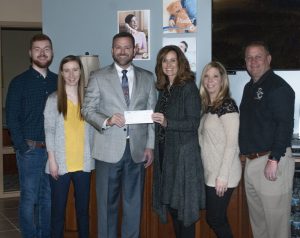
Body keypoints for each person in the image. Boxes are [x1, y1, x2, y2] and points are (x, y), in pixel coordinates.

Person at [82, 32, 157, 238]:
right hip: (107, 150)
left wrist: (149, 145)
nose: (122, 51)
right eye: (118, 47)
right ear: (112, 50)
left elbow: (151, 115)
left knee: (134, 205)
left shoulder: (148, 77)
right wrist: (107, 120)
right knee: (107, 204)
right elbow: (87, 110)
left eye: (127, 47)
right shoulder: (98, 76)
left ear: (134, 50)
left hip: (137, 151)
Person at [239, 41, 295, 238]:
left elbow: (284, 125)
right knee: (259, 226)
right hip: (253, 164)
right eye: (249, 57)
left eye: (258, 56)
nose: (253, 61)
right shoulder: (249, 87)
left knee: (276, 228)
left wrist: (274, 159)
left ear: (268, 59)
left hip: (271, 162)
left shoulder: (279, 87)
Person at [5, 34, 57, 238]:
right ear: (30, 53)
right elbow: (11, 118)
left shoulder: (57, 81)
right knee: (29, 198)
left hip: (53, 152)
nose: (42, 52)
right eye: (37, 49)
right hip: (30, 151)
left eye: (46, 48)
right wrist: (21, 147)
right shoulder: (19, 82)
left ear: (52, 52)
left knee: (48, 198)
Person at [152, 45, 205, 238]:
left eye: (173, 60)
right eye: (164, 60)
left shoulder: (188, 87)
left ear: (180, 62)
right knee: (174, 208)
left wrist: (167, 122)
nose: (168, 64)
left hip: (183, 157)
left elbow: (193, 123)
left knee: (183, 209)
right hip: (167, 156)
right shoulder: (165, 89)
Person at [44, 55, 95, 238]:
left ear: (81, 72)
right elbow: (49, 130)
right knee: (58, 213)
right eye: (66, 70)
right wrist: (52, 160)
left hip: (84, 164)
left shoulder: (89, 99)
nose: (71, 74)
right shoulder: (53, 99)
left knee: (83, 212)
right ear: (61, 74)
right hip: (60, 165)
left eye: (75, 69)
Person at [198, 61, 241, 238]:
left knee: (215, 219)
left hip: (224, 173)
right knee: (217, 218)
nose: (210, 80)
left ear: (222, 80)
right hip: (211, 172)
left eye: (215, 76)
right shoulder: (208, 107)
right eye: (207, 76)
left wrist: (222, 176)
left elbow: (232, 144)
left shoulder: (227, 105)